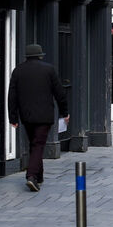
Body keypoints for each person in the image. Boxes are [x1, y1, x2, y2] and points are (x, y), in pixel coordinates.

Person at [8, 43, 69, 192]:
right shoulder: (49, 70)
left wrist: (13, 118)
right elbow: (59, 93)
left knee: (34, 144)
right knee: (38, 144)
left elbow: (12, 96)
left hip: (26, 116)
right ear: (40, 55)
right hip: (44, 115)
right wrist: (64, 112)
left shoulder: (18, 71)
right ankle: (31, 176)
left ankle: (39, 176)